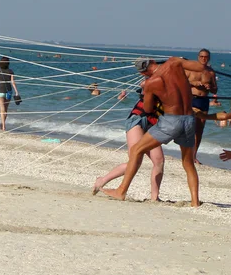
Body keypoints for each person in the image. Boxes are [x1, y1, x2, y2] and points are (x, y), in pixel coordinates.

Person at [101, 57, 206, 207]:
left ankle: (121, 191)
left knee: (137, 150)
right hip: (189, 119)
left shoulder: (151, 82)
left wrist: (153, 94)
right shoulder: (174, 62)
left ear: (143, 72)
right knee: (188, 163)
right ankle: (195, 201)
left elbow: (148, 109)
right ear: (153, 62)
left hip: (171, 120)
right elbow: (201, 68)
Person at [93, 83, 165, 201]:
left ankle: (155, 197)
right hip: (138, 119)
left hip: (153, 124)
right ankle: (102, 180)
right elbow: (144, 82)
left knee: (159, 161)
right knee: (135, 160)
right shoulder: (153, 79)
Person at [185, 49, 217, 164]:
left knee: (199, 130)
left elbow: (215, 89)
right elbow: (181, 82)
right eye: (202, 56)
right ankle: (186, 153)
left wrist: (209, 87)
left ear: (209, 58)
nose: (204, 59)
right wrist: (194, 83)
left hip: (203, 101)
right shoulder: (191, 69)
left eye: (206, 57)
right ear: (198, 57)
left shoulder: (211, 72)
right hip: (191, 99)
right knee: (188, 128)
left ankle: (194, 156)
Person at [0, 57, 19, 131]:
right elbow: (13, 82)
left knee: (2, 109)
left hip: (0, 91)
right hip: (8, 91)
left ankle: (3, 125)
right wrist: (16, 91)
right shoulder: (10, 71)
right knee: (6, 109)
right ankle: (3, 124)